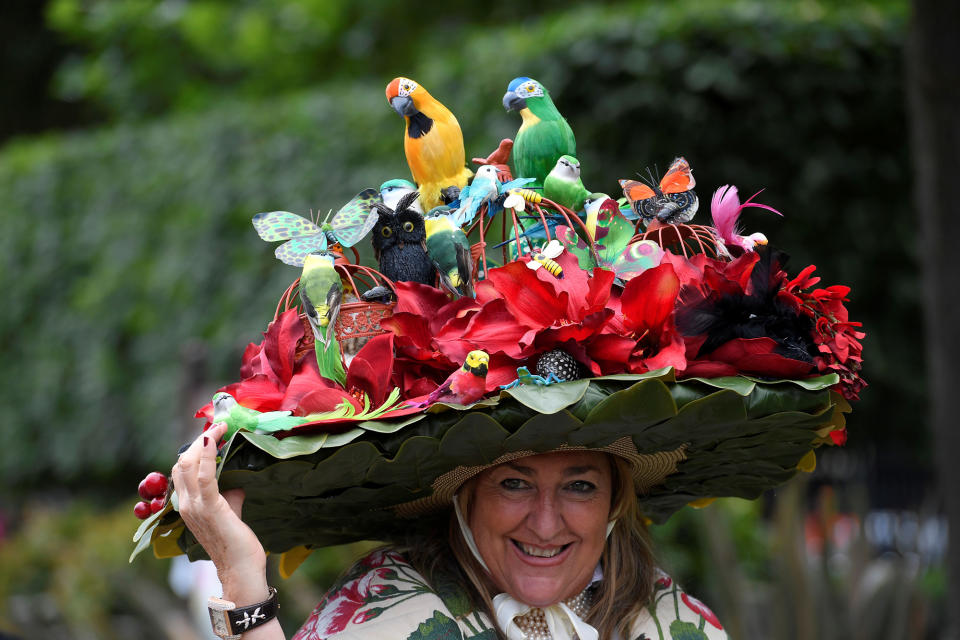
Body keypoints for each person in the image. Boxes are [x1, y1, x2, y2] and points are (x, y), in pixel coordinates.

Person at [174, 421, 729, 639]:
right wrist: (241, 578)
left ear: (614, 503)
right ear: (465, 497)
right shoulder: (391, 611)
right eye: (514, 484)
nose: (544, 521)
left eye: (579, 487)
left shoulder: (671, 623)